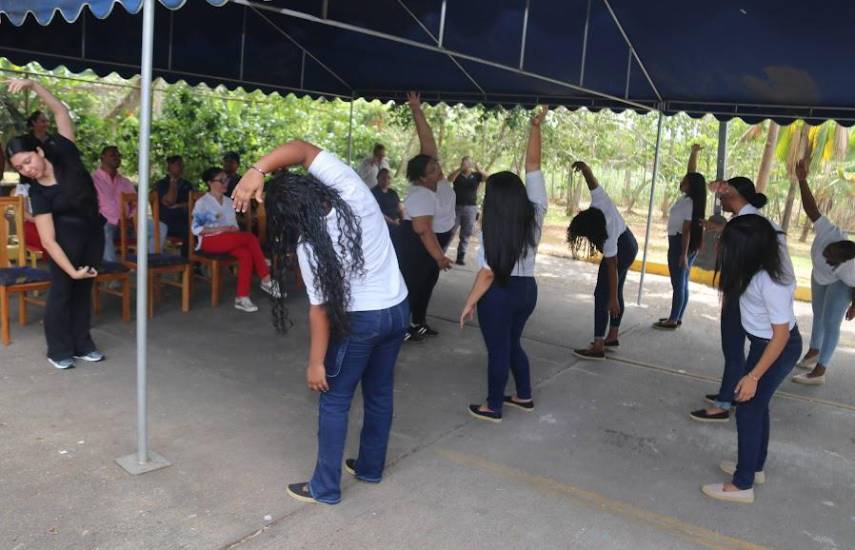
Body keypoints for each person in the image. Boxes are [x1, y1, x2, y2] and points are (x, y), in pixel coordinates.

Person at [232, 139, 409, 505]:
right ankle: (370, 467)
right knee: (379, 391)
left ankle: (325, 487)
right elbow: (301, 148)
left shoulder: (309, 248)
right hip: (398, 310)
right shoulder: (353, 191)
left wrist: (316, 362)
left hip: (363, 321)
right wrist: (258, 169)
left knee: (335, 400)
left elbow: (320, 311)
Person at [4, 79, 105, 370]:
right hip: (64, 241)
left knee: (85, 289)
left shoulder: (65, 151)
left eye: (27, 161)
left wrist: (34, 85)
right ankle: (58, 349)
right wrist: (70, 269)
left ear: (40, 151)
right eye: (20, 168)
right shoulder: (38, 191)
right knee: (63, 291)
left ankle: (83, 344)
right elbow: (47, 239)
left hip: (92, 231)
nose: (27, 169)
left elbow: (60, 112)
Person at [701, 214, 801, 504]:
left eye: (725, 243)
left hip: (778, 347)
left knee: (746, 408)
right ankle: (754, 467)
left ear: (744, 249)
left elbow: (781, 337)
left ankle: (742, 484)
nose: (720, 247)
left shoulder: (771, 282)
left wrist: (754, 375)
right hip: (764, 344)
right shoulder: (755, 265)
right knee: (757, 406)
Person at [460, 107, 548, 423]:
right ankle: (523, 395)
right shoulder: (536, 212)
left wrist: (469, 304)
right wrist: (535, 128)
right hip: (527, 291)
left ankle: (493, 406)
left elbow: (487, 274)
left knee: (498, 349)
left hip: (499, 294)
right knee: (512, 343)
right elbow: (534, 165)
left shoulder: (493, 233)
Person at [690, 176, 794, 422]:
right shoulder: (749, 221)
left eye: (723, 195)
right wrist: (721, 228)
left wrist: (730, 295)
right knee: (734, 348)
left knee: (733, 347)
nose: (719, 199)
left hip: (748, 294)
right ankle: (731, 392)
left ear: (735, 195)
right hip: (748, 292)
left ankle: (725, 402)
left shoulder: (753, 222)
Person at [790, 159, 855, 386]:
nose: (826, 256)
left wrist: (854, 305)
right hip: (819, 278)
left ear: (841, 262)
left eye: (830, 259)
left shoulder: (850, 272)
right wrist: (802, 179)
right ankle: (813, 351)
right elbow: (811, 208)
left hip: (840, 284)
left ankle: (820, 371)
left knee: (830, 322)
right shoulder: (829, 231)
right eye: (828, 252)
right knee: (817, 313)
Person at [398, 91, 456, 342]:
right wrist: (440, 257)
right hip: (418, 245)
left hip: (434, 241)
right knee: (412, 285)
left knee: (426, 285)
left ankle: (418, 322)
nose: (438, 169)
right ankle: (401, 328)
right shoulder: (421, 194)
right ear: (422, 177)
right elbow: (423, 230)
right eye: (433, 169)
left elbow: (428, 145)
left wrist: (417, 110)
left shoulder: (438, 183)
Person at [568, 161, 638, 360]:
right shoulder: (600, 201)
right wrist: (584, 168)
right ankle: (612, 336)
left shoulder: (607, 237)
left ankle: (598, 345)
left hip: (623, 249)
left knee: (602, 293)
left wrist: (613, 298)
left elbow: (612, 266)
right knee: (615, 289)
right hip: (630, 242)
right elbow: (592, 181)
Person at [191, 167, 280, 312]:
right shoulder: (202, 203)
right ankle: (265, 277)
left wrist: (231, 229)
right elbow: (196, 229)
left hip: (228, 239)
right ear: (210, 183)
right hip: (209, 241)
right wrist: (222, 229)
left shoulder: (228, 202)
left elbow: (233, 226)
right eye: (221, 180)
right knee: (250, 238)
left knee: (245, 253)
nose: (225, 183)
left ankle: (241, 297)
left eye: (226, 179)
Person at [653, 144, 706, 329]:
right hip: (683, 244)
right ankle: (677, 316)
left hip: (680, 244)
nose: (681, 181)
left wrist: (682, 254)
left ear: (690, 185)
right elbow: (692, 172)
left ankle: (673, 319)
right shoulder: (690, 199)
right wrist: (693, 154)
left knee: (678, 283)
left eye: (685, 180)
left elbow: (687, 231)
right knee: (682, 282)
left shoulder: (689, 203)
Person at [91, 145, 167, 262]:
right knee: (102, 230)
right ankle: (114, 275)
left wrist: (132, 218)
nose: (116, 158)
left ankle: (144, 266)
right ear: (102, 158)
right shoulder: (92, 180)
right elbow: (91, 207)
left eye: (118, 155)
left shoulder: (125, 182)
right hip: (108, 223)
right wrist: (117, 220)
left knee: (160, 227)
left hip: (129, 224)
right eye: (112, 155)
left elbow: (136, 204)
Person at [447, 156, 485, 265]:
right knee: (451, 231)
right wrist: (459, 169)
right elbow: (449, 179)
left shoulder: (476, 175)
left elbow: (488, 178)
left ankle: (460, 257)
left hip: (471, 208)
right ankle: (442, 252)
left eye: (467, 163)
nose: (465, 164)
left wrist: (478, 168)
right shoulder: (457, 174)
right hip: (455, 207)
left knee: (466, 233)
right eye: (463, 162)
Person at [155, 155, 193, 257]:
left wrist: (180, 205)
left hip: (185, 219)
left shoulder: (187, 184)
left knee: (199, 227)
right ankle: (186, 264)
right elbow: (169, 201)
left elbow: (194, 202)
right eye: (176, 164)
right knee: (189, 230)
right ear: (168, 168)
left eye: (181, 164)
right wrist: (173, 181)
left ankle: (195, 263)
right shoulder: (161, 184)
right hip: (167, 222)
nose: (180, 167)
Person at [371, 168, 403, 246]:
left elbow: (400, 208)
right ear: (378, 178)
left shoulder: (393, 192)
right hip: (382, 225)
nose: (386, 180)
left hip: (397, 223)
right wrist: (392, 222)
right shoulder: (373, 192)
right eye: (383, 177)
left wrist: (402, 219)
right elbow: (377, 212)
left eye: (388, 178)